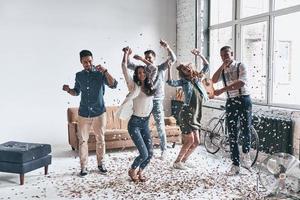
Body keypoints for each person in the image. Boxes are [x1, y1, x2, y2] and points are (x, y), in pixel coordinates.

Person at [62, 50, 118, 176]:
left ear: (93, 60)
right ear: (81, 62)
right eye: (85, 62)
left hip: (99, 112)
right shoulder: (79, 75)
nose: (88, 63)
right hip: (84, 113)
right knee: (82, 141)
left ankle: (101, 164)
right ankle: (84, 167)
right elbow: (76, 92)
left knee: (100, 139)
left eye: (90, 61)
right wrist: (68, 90)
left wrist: (105, 71)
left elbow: (114, 84)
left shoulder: (100, 73)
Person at [127, 39, 176, 160]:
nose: (148, 59)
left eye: (150, 57)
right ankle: (145, 150)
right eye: (146, 58)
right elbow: (128, 65)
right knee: (144, 127)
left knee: (160, 126)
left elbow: (173, 59)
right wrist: (127, 54)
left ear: (154, 58)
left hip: (157, 100)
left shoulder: (160, 68)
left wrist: (168, 47)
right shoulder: (142, 70)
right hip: (144, 102)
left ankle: (164, 150)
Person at [116, 47, 156, 182]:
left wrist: (142, 60)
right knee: (143, 153)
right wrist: (126, 54)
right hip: (134, 124)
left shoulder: (151, 85)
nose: (141, 75)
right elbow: (123, 66)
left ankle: (140, 171)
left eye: (143, 72)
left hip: (145, 123)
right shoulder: (133, 86)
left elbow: (154, 68)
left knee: (150, 154)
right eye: (138, 73)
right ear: (136, 75)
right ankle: (132, 169)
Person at [211, 46, 252, 175]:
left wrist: (222, 90)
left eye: (227, 55)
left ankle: (246, 153)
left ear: (232, 54)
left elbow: (241, 83)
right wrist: (222, 65)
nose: (225, 57)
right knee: (232, 134)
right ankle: (235, 165)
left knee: (246, 129)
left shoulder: (240, 65)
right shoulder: (223, 68)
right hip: (231, 102)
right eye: (222, 55)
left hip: (244, 99)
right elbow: (213, 80)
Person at [167, 49, 209, 170]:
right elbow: (170, 82)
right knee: (190, 140)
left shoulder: (198, 79)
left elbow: (207, 66)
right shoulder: (184, 82)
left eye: (188, 67)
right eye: (184, 69)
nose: (187, 70)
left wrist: (199, 54)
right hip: (186, 113)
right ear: (183, 72)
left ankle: (183, 161)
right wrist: (170, 68)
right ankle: (177, 162)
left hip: (196, 114)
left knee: (196, 142)